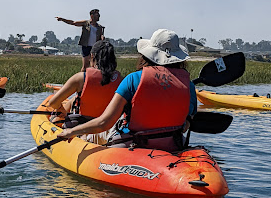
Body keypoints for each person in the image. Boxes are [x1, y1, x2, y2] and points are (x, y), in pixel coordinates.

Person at [58, 29, 197, 152]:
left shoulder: (133, 79)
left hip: (131, 144)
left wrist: (71, 131)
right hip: (173, 145)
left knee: (86, 136)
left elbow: (104, 123)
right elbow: (185, 126)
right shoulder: (189, 86)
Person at [47, 40, 123, 142]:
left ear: (92, 56)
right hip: (107, 127)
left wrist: (61, 109)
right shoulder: (121, 80)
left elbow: (53, 103)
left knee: (56, 117)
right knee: (74, 99)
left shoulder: (80, 78)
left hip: (81, 125)